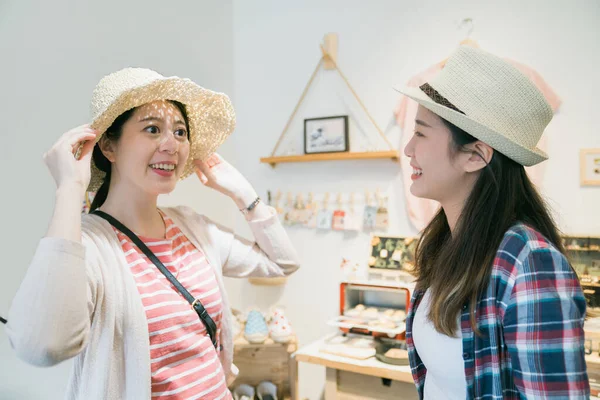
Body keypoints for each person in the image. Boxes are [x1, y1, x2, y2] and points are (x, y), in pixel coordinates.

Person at [6, 68, 300, 399]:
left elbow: (282, 263)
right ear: (109, 147)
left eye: (180, 132)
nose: (171, 144)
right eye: (152, 129)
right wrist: (69, 189)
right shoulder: (88, 244)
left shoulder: (194, 229)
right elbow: (43, 345)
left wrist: (242, 192)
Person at [397, 46, 589, 399]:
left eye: (421, 133)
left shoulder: (530, 262)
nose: (408, 149)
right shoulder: (447, 243)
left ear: (474, 155)